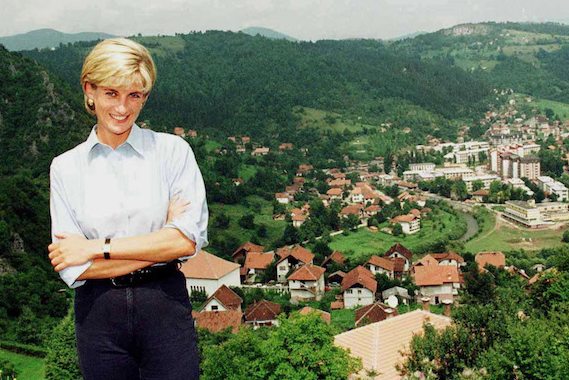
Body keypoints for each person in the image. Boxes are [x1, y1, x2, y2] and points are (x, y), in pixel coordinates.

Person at [47, 38, 207, 379]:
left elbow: (186, 242)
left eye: (135, 95)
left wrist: (94, 248)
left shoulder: (172, 152)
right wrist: (161, 243)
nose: (123, 108)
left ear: (145, 97)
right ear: (89, 90)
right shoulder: (65, 168)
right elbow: (72, 269)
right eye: (111, 93)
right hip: (98, 315)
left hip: (165, 305)